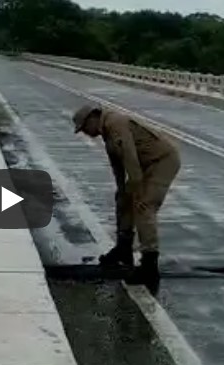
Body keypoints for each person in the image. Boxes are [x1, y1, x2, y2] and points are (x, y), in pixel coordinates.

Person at [72, 104, 181, 295]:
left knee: (143, 205)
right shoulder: (107, 132)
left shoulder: (116, 124)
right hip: (144, 164)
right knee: (123, 199)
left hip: (162, 161)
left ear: (93, 118)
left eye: (84, 128)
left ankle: (149, 264)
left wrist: (133, 189)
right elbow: (118, 167)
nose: (86, 133)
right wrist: (122, 192)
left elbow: (131, 163)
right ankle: (123, 248)